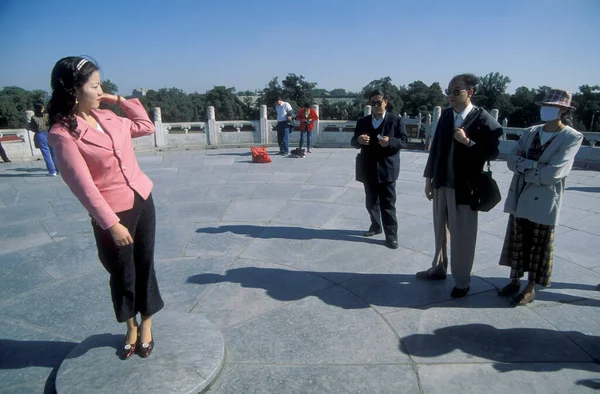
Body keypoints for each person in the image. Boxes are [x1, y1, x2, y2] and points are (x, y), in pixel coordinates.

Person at [47, 56, 164, 359]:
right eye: (95, 86)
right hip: (113, 215)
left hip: (142, 199)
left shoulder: (110, 118)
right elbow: (82, 186)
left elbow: (146, 126)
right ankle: (131, 326)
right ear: (73, 90)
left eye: (102, 86)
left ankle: (148, 323)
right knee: (121, 272)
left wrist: (121, 100)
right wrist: (111, 224)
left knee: (145, 264)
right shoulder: (63, 134)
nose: (101, 92)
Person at [418, 74, 503, 298]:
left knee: (463, 235)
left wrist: (468, 142)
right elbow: (435, 149)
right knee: (439, 230)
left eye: (457, 91)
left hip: (465, 188)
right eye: (449, 91)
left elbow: (493, 152)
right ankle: (438, 268)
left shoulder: (484, 120)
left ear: (470, 93)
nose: (451, 96)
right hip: (441, 182)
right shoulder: (446, 115)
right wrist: (428, 180)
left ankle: (462, 281)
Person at [498, 88, 583, 306]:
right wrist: (536, 166)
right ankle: (514, 279)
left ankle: (531, 287)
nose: (547, 109)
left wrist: (524, 166)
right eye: (545, 105)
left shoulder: (571, 137)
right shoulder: (530, 132)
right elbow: (511, 160)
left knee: (539, 244)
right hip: (521, 194)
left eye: (552, 106)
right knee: (518, 240)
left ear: (563, 110)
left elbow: (553, 173)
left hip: (544, 198)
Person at [351, 90, 408, 249]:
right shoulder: (363, 121)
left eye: (379, 102)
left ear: (386, 102)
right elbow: (353, 142)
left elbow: (404, 141)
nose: (376, 106)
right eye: (373, 103)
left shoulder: (396, 121)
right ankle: (376, 226)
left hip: (387, 167)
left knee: (388, 204)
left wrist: (391, 142)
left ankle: (391, 235)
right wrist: (359, 140)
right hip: (368, 167)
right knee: (371, 202)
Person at [30, 102, 59, 176]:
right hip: (49, 133)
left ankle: (52, 171)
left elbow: (32, 128)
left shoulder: (33, 118)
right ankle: (58, 169)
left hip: (40, 135)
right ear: (42, 108)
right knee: (54, 153)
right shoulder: (47, 116)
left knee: (46, 154)